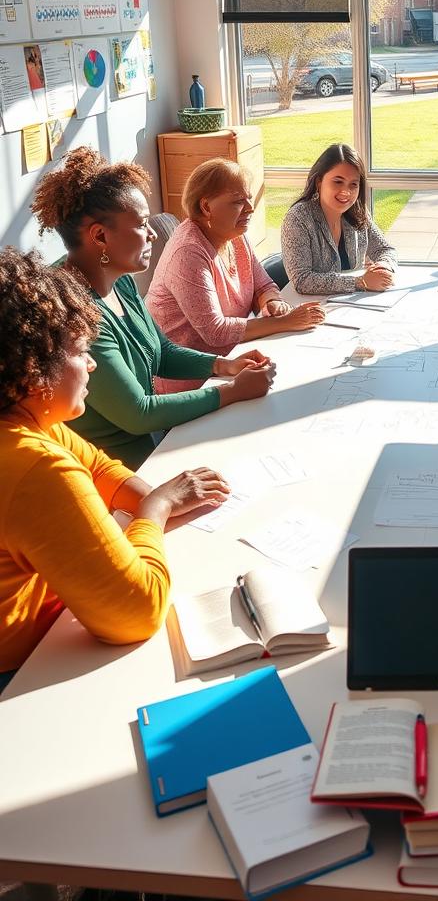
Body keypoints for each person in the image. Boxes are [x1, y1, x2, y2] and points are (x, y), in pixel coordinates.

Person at [0, 248, 230, 688]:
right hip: (23, 677)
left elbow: (101, 468)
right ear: (33, 370)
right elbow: (137, 613)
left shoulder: (29, 418)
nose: (90, 364)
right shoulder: (34, 465)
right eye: (79, 352)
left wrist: (154, 497)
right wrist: (156, 510)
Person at [31, 148, 275, 470]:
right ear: (100, 236)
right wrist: (231, 392)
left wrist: (223, 366)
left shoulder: (120, 281)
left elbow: (161, 351)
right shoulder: (74, 311)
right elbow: (138, 413)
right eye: (142, 224)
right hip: (118, 469)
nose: (153, 233)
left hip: (156, 445)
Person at [147, 158, 325, 392]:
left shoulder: (234, 234)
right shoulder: (188, 251)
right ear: (206, 207)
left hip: (231, 364)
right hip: (192, 383)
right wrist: (285, 322)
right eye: (238, 201)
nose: (250, 207)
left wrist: (271, 302)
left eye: (249, 197)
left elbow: (263, 285)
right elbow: (216, 332)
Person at [281, 143, 396, 295]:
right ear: (319, 182)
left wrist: (383, 267)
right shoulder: (298, 218)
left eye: (353, 185)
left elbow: (385, 249)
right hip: (312, 310)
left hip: (352, 305)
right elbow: (302, 280)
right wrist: (361, 282)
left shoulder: (358, 211)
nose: (346, 192)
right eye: (338, 181)